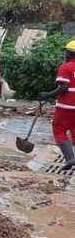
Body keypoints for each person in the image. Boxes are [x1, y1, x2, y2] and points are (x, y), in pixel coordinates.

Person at [39, 40, 75, 169]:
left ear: (69, 54)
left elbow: (64, 87)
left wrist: (47, 95)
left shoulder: (65, 67)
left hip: (66, 106)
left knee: (59, 130)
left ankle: (71, 158)